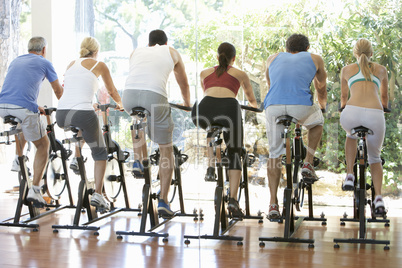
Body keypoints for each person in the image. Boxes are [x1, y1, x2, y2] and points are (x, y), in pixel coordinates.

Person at [122, 29, 190, 218]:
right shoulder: (172, 52)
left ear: (149, 43)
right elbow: (183, 82)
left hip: (128, 96)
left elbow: (139, 74)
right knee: (166, 149)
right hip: (155, 95)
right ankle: (163, 200)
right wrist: (186, 103)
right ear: (166, 43)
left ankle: (138, 160)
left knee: (138, 118)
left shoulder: (136, 51)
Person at [56, 36, 124, 214]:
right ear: (96, 52)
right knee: (100, 152)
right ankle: (98, 194)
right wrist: (120, 103)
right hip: (82, 112)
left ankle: (76, 159)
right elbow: (111, 90)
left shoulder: (71, 64)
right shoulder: (99, 65)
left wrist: (89, 103)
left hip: (62, 113)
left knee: (82, 128)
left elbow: (76, 88)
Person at [263, 34, 327, 220]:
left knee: (274, 154)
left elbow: (270, 84)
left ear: (286, 48)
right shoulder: (314, 58)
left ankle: (273, 204)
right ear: (307, 48)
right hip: (300, 106)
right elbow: (321, 87)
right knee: (317, 123)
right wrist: (321, 106)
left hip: (273, 106)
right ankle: (308, 162)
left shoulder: (272, 58)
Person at [192, 42, 258, 218]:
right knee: (235, 151)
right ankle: (234, 200)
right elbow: (251, 98)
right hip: (229, 108)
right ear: (233, 59)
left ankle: (211, 166)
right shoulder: (240, 73)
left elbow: (208, 92)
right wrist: (255, 108)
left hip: (203, 109)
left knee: (211, 127)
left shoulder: (204, 72)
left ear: (217, 56)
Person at [0, 36, 64, 207]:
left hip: (3, 106)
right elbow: (58, 90)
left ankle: (17, 158)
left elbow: (17, 87)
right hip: (23, 108)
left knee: (24, 124)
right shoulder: (44, 62)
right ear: (43, 50)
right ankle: (35, 190)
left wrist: (35, 106)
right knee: (43, 145)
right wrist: (68, 106)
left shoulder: (16, 61)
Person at [339, 38, 389, 215]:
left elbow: (344, 99)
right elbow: (384, 99)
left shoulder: (347, 70)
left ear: (355, 53)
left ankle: (350, 175)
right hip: (375, 115)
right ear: (371, 54)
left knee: (351, 135)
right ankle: (378, 199)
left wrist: (343, 109)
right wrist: (385, 108)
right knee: (375, 157)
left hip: (351, 113)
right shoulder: (381, 70)